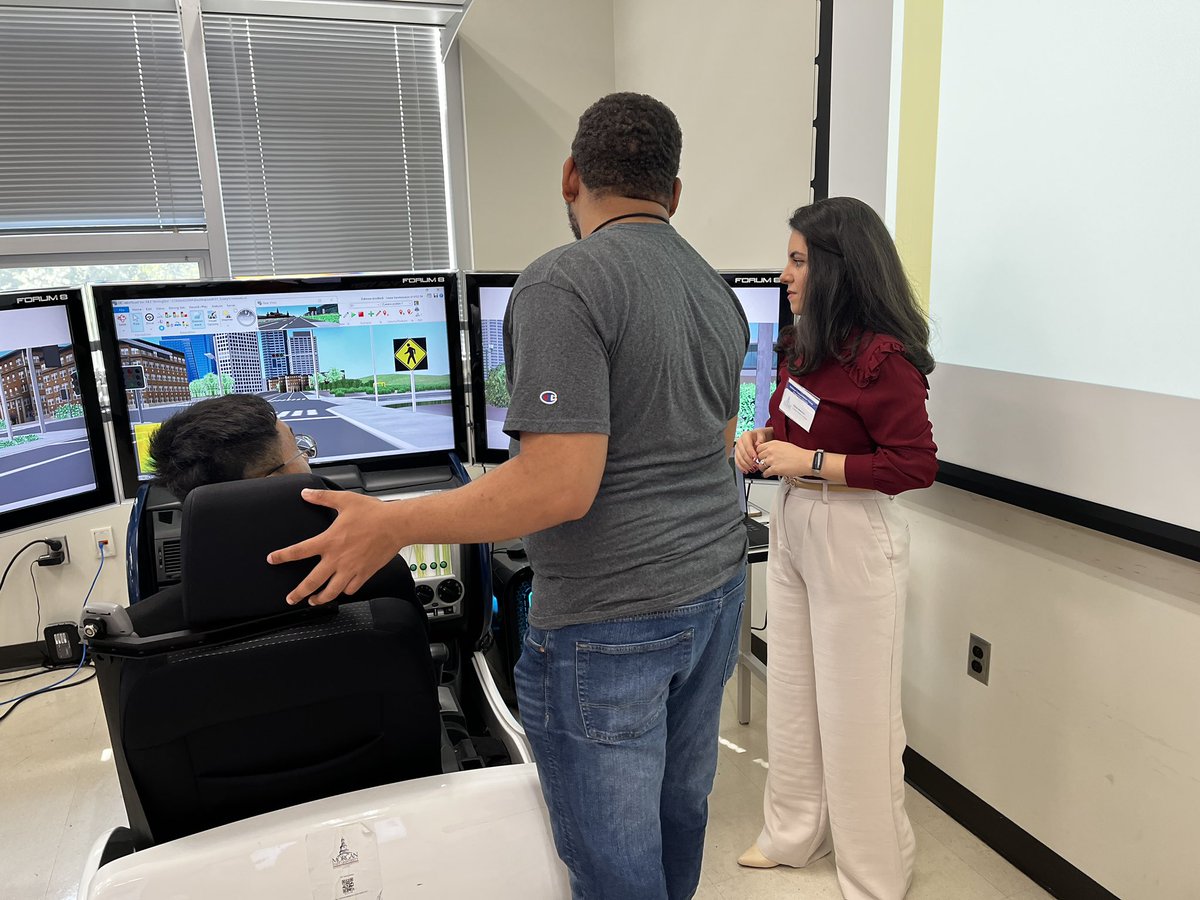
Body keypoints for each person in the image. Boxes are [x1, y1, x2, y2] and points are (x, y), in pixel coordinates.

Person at [267, 92, 750, 899]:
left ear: (571, 176)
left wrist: (394, 523)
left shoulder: (565, 282)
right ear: (674, 192)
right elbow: (704, 443)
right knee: (677, 819)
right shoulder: (713, 287)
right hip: (715, 591)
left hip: (613, 620)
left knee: (614, 868)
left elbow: (559, 486)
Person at [733, 197, 937, 900]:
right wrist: (758, 444)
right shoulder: (802, 344)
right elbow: (785, 425)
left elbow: (914, 467)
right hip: (795, 523)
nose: (784, 274)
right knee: (792, 690)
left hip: (854, 534)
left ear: (837, 268)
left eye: (797, 260)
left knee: (859, 715)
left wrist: (811, 465)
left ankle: (875, 871)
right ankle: (794, 832)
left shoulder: (886, 360)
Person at [129, 394, 419, 635]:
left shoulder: (140, 630)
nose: (307, 458)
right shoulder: (381, 579)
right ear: (272, 486)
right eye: (299, 451)